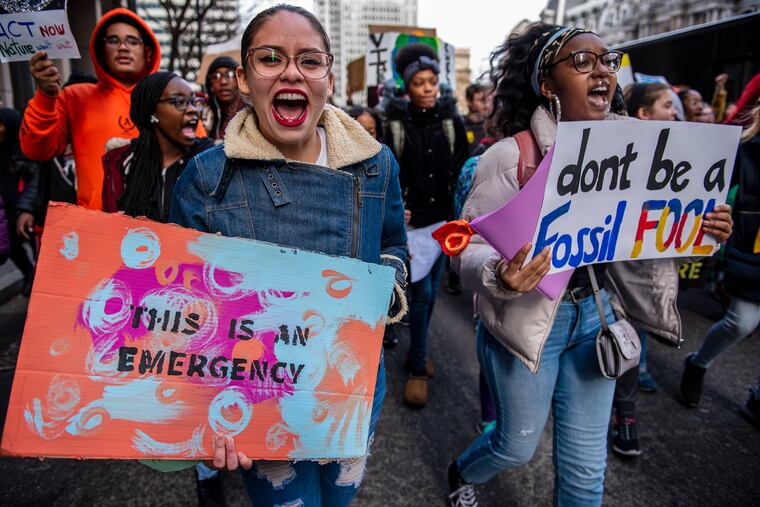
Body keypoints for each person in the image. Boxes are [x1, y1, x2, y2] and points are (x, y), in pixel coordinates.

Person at [445, 23, 733, 507]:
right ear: (547, 84)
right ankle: (462, 471)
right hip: (529, 322)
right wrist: (500, 274)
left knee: (585, 471)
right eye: (581, 62)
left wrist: (698, 229)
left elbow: (646, 238)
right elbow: (464, 245)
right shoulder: (510, 155)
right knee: (515, 446)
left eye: (607, 61)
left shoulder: (641, 150)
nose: (601, 70)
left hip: (598, 316)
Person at [168, 5, 407, 506]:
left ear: (328, 76)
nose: (291, 71)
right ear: (243, 78)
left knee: (340, 498)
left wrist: (382, 292)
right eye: (270, 58)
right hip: (260, 399)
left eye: (309, 60)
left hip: (352, 387)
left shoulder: (376, 165)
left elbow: (392, 244)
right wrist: (202, 415)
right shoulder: (207, 179)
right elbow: (182, 307)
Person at [383, 42, 469, 408]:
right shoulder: (395, 124)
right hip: (414, 225)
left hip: (445, 222)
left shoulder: (452, 120)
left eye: (432, 81)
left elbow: (464, 170)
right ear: (407, 88)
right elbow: (387, 173)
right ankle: (418, 366)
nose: (428, 88)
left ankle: (418, 349)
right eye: (420, 83)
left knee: (432, 293)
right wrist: (395, 208)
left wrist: (462, 211)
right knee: (420, 297)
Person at [20, 8, 161, 210]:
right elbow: (37, 149)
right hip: (97, 229)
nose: (123, 47)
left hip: (162, 228)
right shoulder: (74, 97)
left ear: (147, 52)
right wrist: (45, 97)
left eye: (132, 41)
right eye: (113, 40)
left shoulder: (168, 96)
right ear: (101, 50)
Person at [606, 82, 679, 458]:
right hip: (611, 272)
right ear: (643, 114)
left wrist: (709, 229)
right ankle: (620, 412)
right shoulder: (612, 152)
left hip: (649, 272)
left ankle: (623, 410)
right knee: (620, 344)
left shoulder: (682, 157)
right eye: (668, 105)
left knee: (634, 343)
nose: (676, 112)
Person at [680, 102, 760, 420]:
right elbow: (717, 193)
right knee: (741, 322)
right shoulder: (747, 150)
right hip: (751, 245)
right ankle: (698, 363)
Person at [0, 108, 39, 296]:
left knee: (38, 248)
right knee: (12, 245)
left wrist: (27, 207)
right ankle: (28, 273)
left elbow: (36, 178)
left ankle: (39, 280)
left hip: (30, 209)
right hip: (7, 210)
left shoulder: (26, 146)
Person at [204, 56, 246, 141]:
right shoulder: (203, 116)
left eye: (230, 74)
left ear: (239, 80)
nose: (223, 82)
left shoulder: (252, 114)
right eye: (216, 76)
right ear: (210, 85)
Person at [463, 83, 489, 151]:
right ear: (469, 101)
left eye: (486, 100)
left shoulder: (490, 126)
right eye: (481, 100)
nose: (486, 105)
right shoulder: (461, 126)